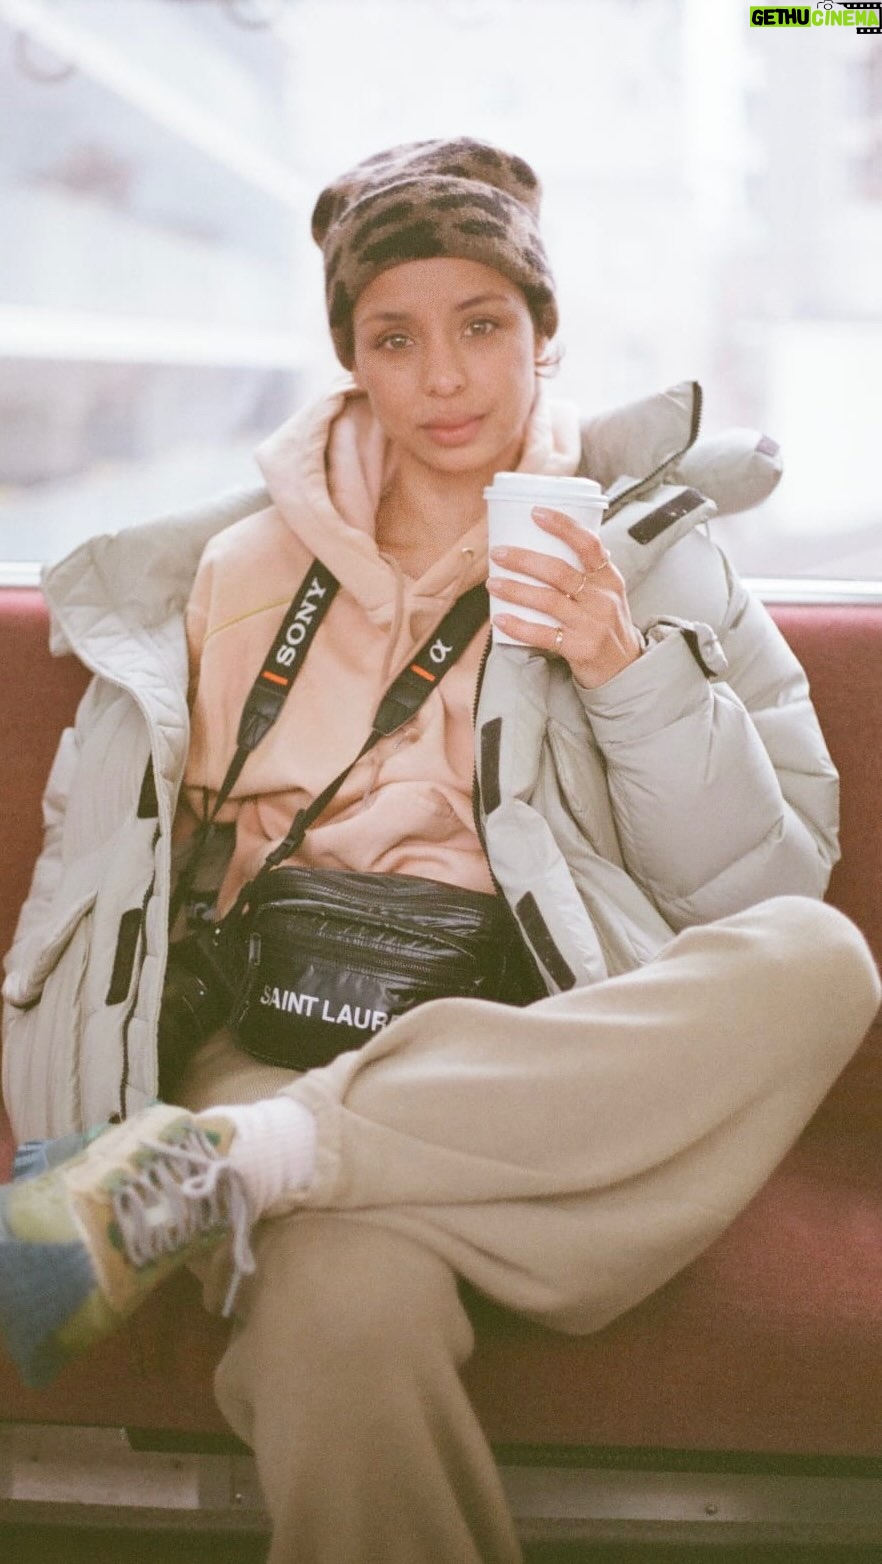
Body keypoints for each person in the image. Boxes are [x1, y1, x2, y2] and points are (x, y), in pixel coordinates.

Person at [1, 138, 879, 1564]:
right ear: (351, 359)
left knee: (820, 958)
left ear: (544, 333)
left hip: (542, 1029)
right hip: (278, 1030)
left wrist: (622, 669)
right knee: (343, 1313)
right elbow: (148, 875)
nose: (445, 378)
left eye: (482, 324)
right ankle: (264, 1144)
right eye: (394, 337)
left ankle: (245, 1167)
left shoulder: (653, 556)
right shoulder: (239, 572)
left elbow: (758, 890)